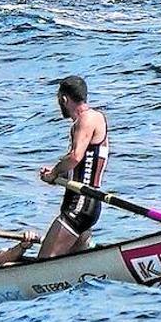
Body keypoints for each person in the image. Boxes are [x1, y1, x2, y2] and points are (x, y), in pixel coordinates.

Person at [38, 76, 110, 258]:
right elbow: (79, 162)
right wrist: (57, 175)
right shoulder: (94, 118)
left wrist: (54, 172)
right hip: (88, 202)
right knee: (71, 265)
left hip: (80, 204)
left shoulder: (86, 119)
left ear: (64, 99)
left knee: (44, 263)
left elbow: (75, 157)